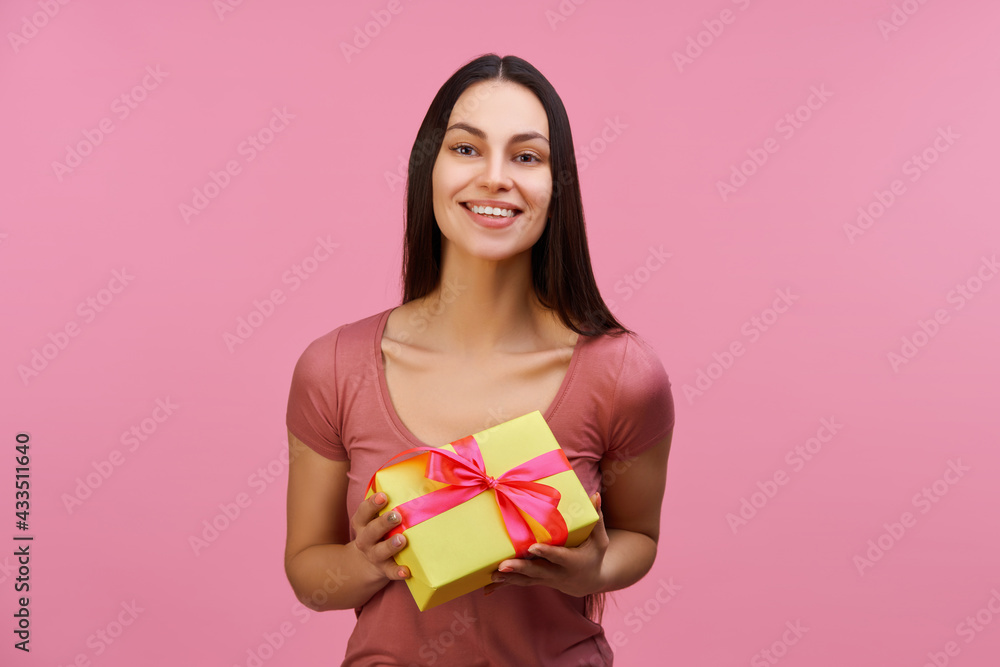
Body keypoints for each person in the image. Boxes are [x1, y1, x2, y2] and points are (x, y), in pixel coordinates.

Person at [284, 53, 675, 666]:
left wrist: (594, 570)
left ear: (558, 186)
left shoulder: (624, 374)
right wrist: (366, 563)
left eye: (527, 157)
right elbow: (308, 573)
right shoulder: (332, 369)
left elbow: (639, 537)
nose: (495, 178)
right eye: (466, 149)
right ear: (428, 170)